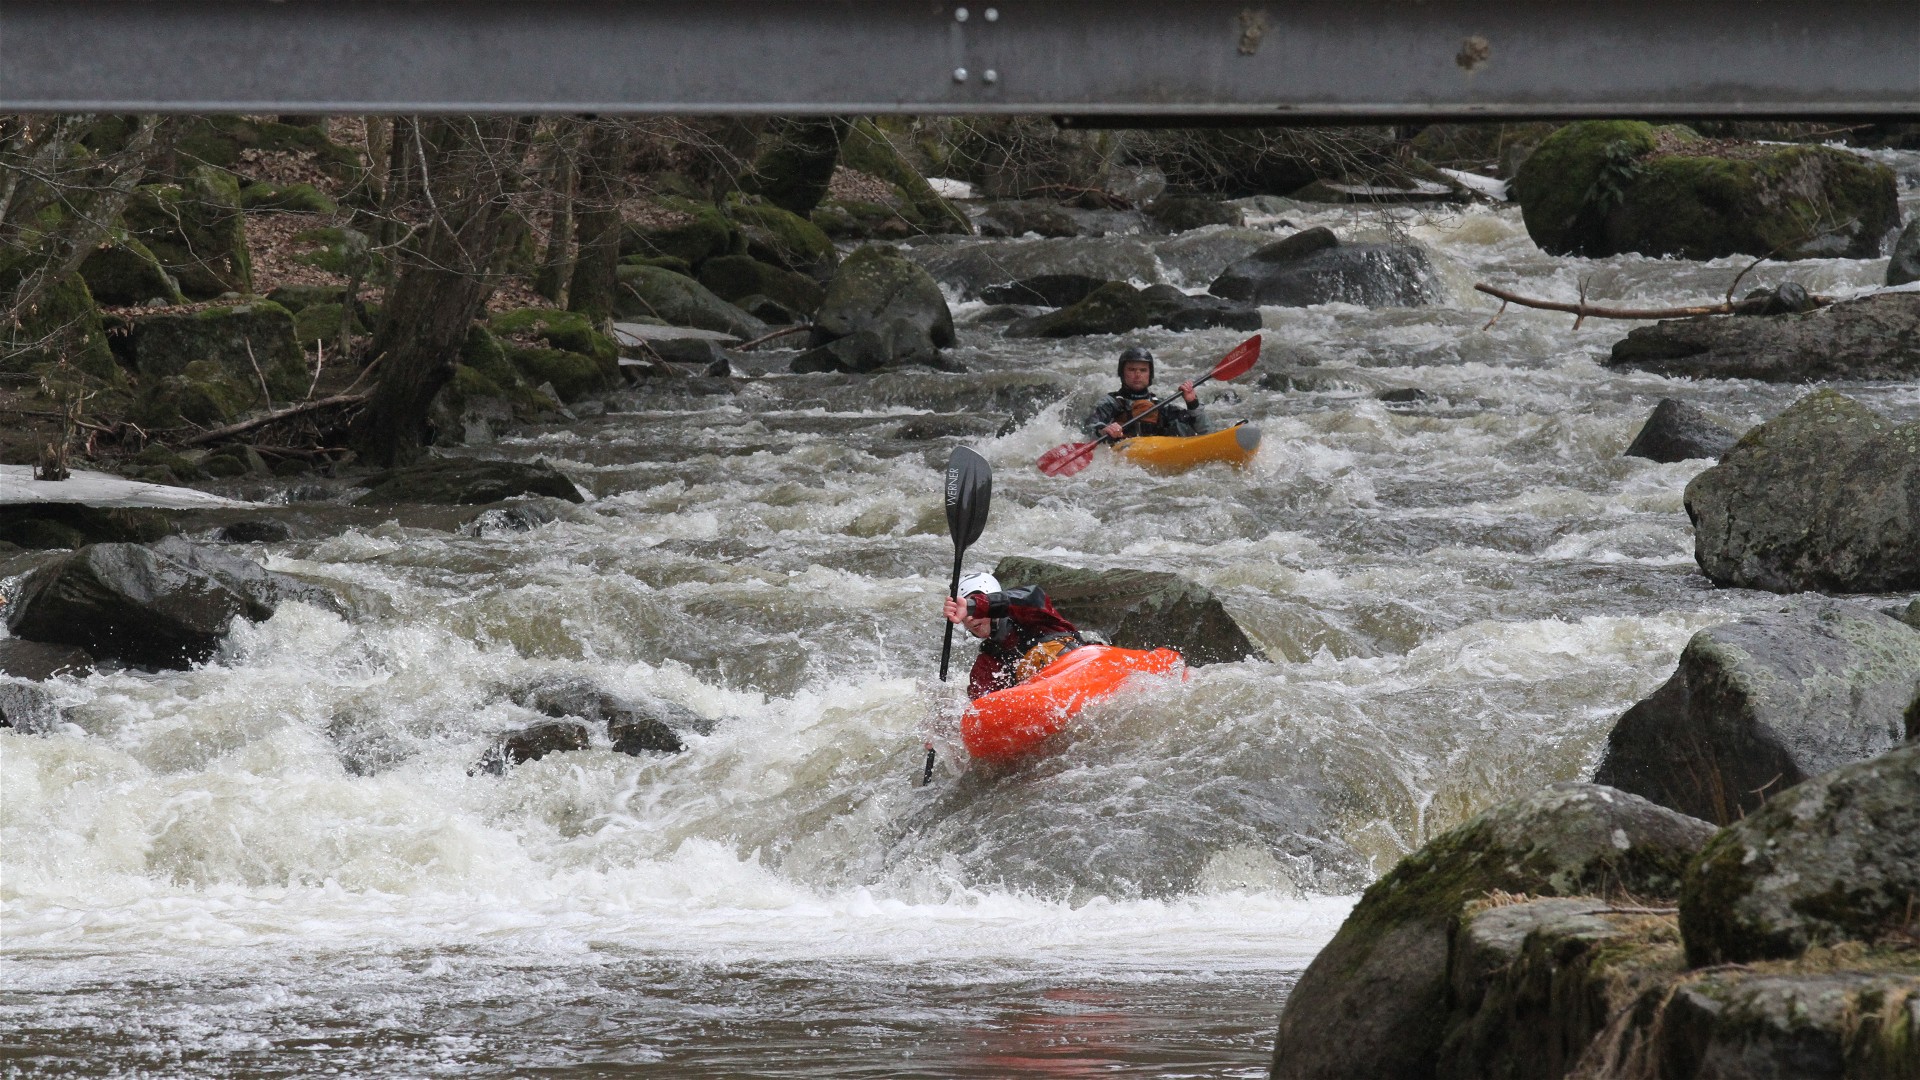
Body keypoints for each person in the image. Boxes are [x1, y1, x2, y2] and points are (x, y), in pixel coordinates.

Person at [942, 571, 1086, 700]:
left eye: (972, 609)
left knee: (1043, 653)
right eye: (964, 613)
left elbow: (1032, 596)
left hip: (1083, 673)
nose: (969, 618)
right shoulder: (986, 664)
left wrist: (975, 606)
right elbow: (981, 708)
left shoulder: (1034, 618)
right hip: (1047, 702)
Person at [1083, 346, 1212, 441]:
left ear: (1150, 374)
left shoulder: (1161, 405)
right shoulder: (1110, 403)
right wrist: (1104, 430)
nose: (1138, 375)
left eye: (1143, 370)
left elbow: (1205, 432)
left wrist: (1192, 403)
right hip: (1122, 457)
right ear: (1122, 373)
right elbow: (1089, 427)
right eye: (1132, 369)